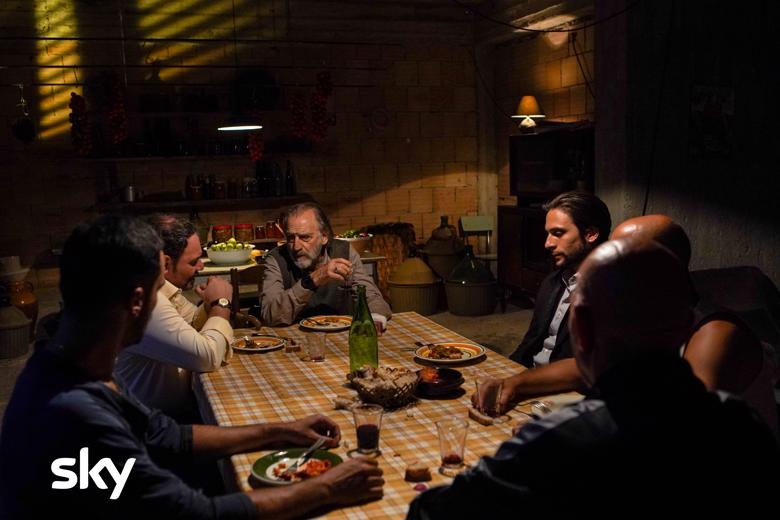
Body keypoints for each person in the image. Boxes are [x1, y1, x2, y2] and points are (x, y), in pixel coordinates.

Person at [0, 215, 383, 519]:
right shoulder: (74, 414)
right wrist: (329, 487)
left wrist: (281, 430)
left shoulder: (62, 368)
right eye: (160, 291)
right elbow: (198, 512)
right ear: (137, 302)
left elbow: (167, 435)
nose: (165, 303)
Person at [409, 238, 779, 517]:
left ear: (581, 330)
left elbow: (430, 511)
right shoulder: (743, 424)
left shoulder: (563, 438)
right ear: (685, 327)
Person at [481, 215, 779, 435]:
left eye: (622, 253)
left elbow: (679, 426)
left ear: (663, 263)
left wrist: (571, 433)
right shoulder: (645, 313)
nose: (606, 261)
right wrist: (514, 384)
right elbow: (589, 368)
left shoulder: (716, 331)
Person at [115, 214, 234, 421]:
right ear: (166, 264)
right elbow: (207, 357)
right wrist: (220, 304)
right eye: (194, 261)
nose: (201, 267)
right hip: (152, 425)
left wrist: (208, 306)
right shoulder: (147, 301)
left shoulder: (164, 290)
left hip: (171, 416)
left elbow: (191, 325)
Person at [507, 191, 612, 368]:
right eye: (548, 234)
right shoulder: (553, 281)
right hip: (531, 372)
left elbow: (590, 367)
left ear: (591, 234)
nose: (548, 243)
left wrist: (522, 381)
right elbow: (531, 341)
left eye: (558, 233)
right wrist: (508, 369)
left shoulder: (610, 292)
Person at [261, 202, 391, 328]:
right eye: (290, 238)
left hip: (341, 332)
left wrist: (375, 318)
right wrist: (312, 280)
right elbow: (270, 315)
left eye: (305, 237)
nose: (296, 247)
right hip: (294, 336)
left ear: (324, 237)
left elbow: (372, 297)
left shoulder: (343, 252)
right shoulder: (277, 258)